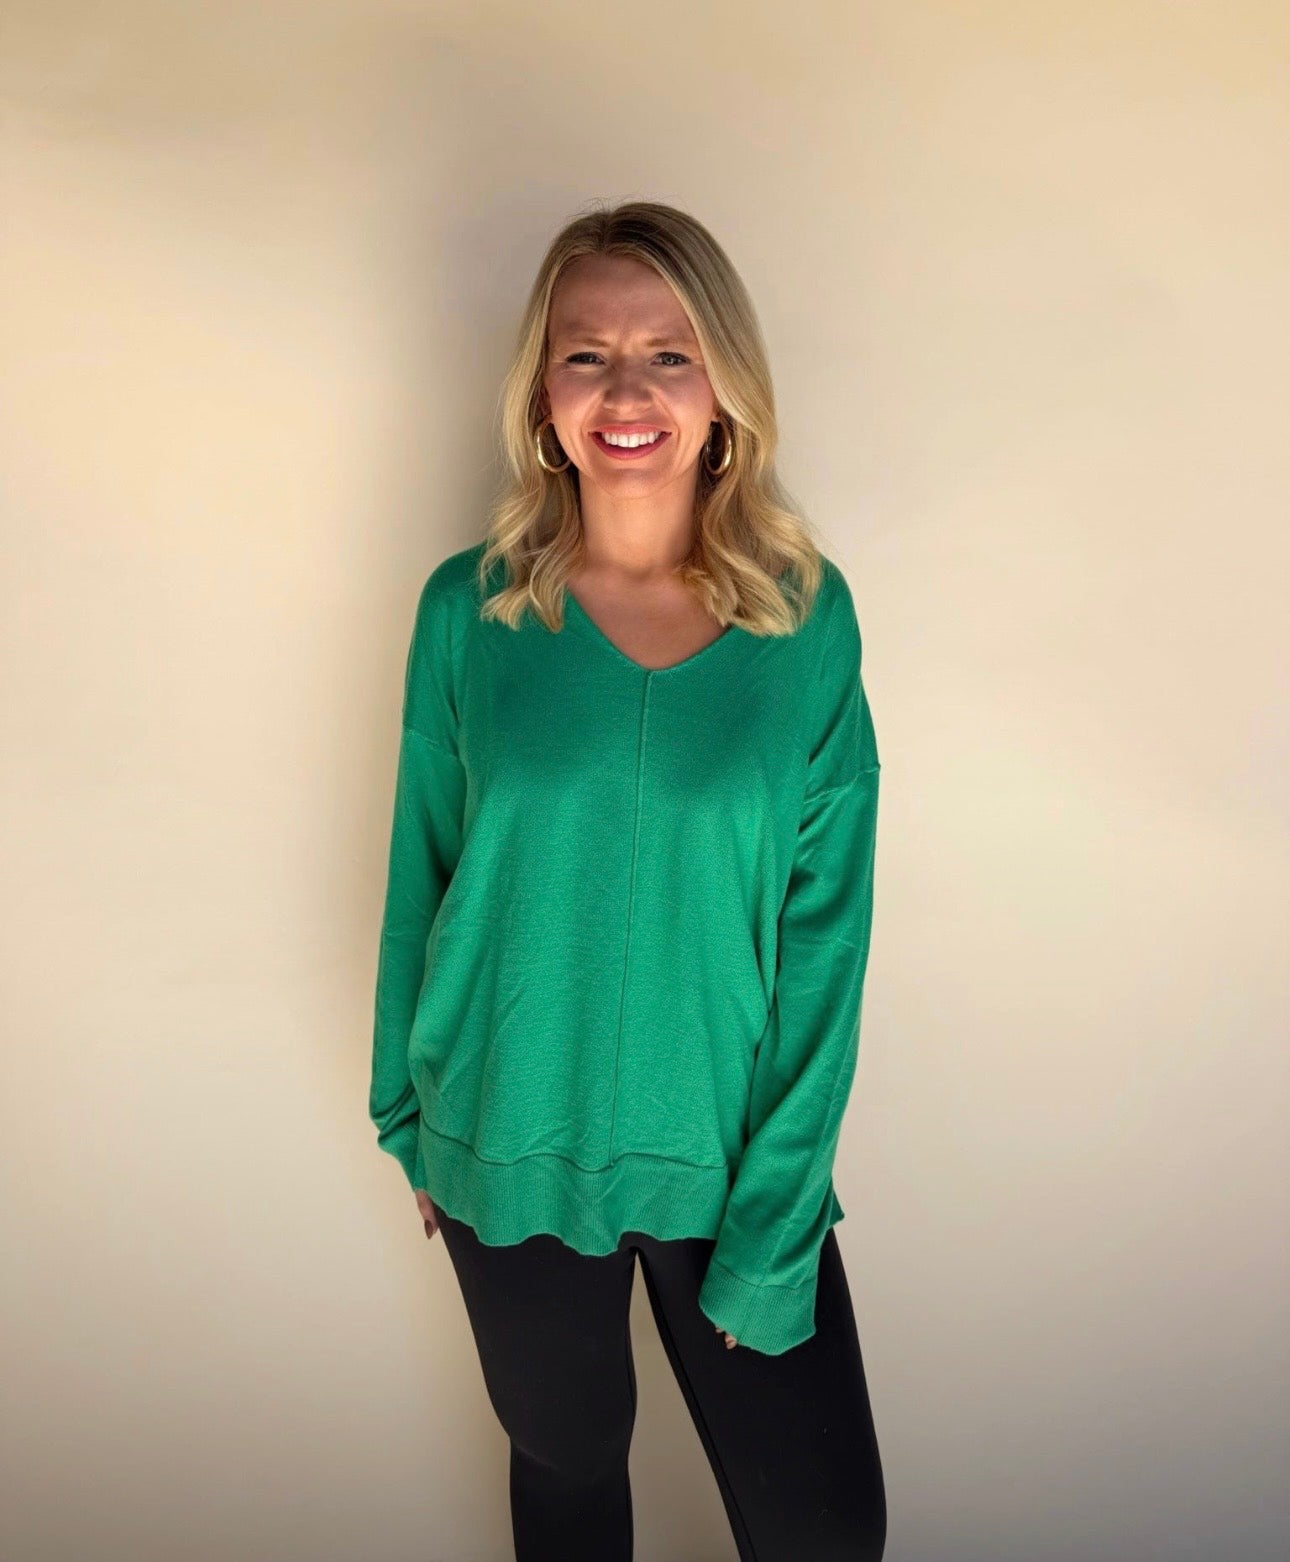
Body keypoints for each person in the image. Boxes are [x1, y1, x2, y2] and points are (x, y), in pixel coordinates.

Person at [369, 199, 886, 1560]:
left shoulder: (803, 618)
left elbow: (826, 931)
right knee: (568, 1466)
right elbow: (422, 868)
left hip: (729, 1163)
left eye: (666, 350)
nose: (626, 388)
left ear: (722, 388)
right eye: (585, 352)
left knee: (826, 1529)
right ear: (543, 395)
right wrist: (408, 1116)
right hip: (506, 1140)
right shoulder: (467, 610)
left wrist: (778, 1214)